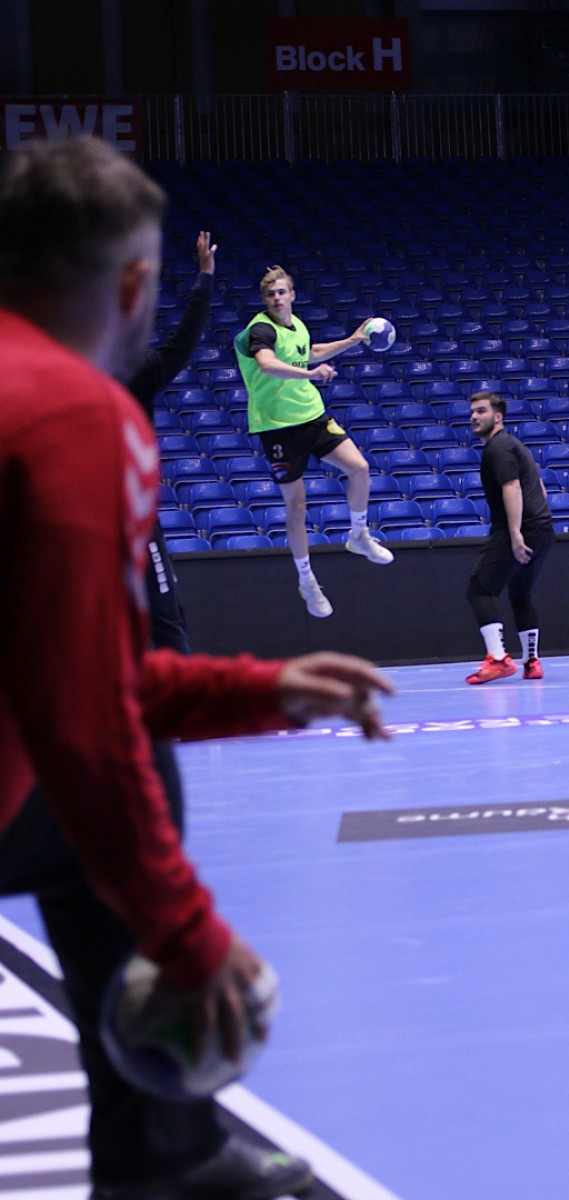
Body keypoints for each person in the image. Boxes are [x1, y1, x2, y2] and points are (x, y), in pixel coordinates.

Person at [0, 135, 394, 1200]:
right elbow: (86, 714)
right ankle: (161, 1163)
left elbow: (61, 666)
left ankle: (164, 1160)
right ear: (135, 285)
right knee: (129, 792)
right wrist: (187, 935)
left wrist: (259, 687)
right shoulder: (83, 416)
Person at [234, 265, 393, 620]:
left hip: (312, 416)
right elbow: (267, 364)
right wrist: (309, 374)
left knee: (360, 468)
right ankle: (307, 580)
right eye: (271, 294)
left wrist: (352, 341)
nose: (277, 298)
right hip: (277, 427)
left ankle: (359, 535)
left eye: (282, 292)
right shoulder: (260, 329)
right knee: (297, 507)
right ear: (265, 300)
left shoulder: (298, 326)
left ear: (292, 295)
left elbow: (312, 351)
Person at [130, 230, 218, 653]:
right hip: (128, 518)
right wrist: (204, 276)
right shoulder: (136, 369)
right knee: (166, 620)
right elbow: (184, 340)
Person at [463, 391, 556, 684]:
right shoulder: (515, 445)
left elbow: (513, 486)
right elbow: (539, 488)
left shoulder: (497, 448)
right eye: (472, 413)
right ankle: (531, 662)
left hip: (520, 528)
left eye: (481, 411)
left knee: (480, 589)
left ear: (498, 416)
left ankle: (499, 659)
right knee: (520, 593)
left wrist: (515, 534)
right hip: (542, 528)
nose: (475, 417)